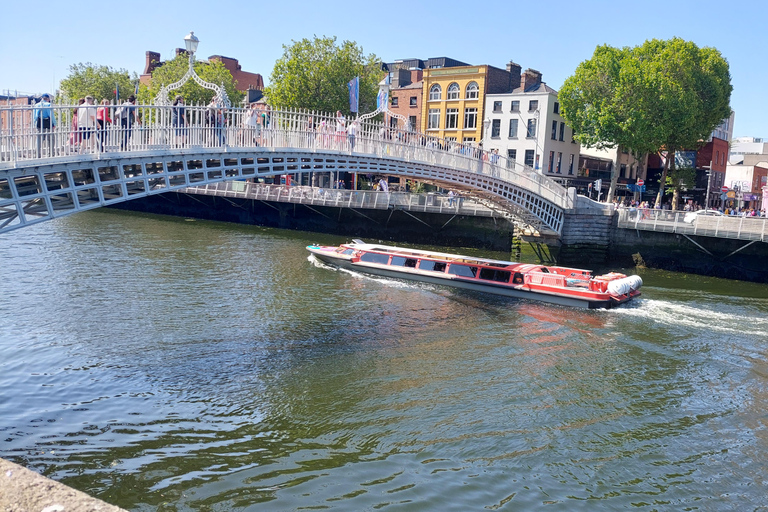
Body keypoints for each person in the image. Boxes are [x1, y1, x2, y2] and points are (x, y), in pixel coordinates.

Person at [33, 93, 56, 158]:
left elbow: (35, 116)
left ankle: (37, 154)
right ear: (48, 99)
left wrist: (34, 123)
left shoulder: (36, 105)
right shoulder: (48, 105)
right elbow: (51, 115)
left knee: (39, 139)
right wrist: (54, 123)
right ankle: (51, 153)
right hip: (47, 122)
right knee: (51, 139)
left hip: (39, 122)